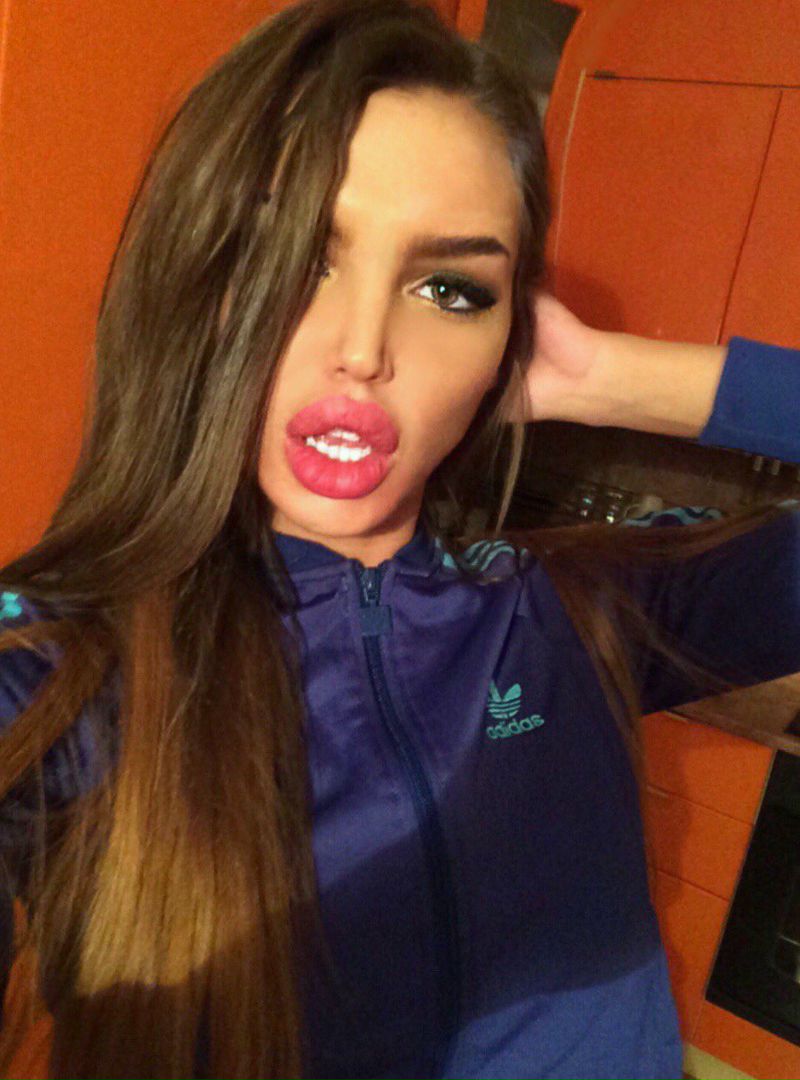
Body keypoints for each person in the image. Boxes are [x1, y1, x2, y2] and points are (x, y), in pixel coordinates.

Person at [0, 0, 798, 1077]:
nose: (363, 348)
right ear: (195, 284)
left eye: (449, 289)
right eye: (293, 257)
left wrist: (619, 378)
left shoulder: (581, 606)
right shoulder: (55, 664)